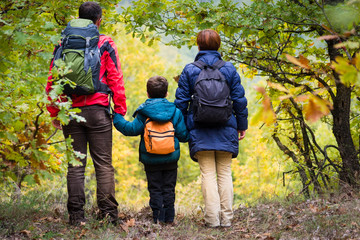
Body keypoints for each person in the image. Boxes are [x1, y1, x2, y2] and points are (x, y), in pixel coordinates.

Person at [46, 2, 126, 225]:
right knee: (103, 164)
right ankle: (108, 216)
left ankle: (76, 217)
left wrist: (55, 111)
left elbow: (52, 78)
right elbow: (115, 78)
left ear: (79, 17)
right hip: (98, 111)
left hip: (71, 112)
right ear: (99, 20)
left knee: (75, 166)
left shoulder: (64, 42)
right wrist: (119, 110)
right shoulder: (105, 42)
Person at [175, 29, 248, 228]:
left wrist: (182, 128)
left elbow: (181, 103)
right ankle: (227, 220)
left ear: (198, 46)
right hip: (227, 126)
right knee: (224, 173)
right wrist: (241, 125)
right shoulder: (229, 69)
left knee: (207, 174)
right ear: (218, 46)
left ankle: (212, 220)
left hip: (199, 128)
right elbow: (239, 100)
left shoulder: (190, 69)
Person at [113, 76, 189, 224]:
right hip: (171, 157)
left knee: (155, 188)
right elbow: (183, 135)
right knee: (169, 188)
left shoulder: (144, 112)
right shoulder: (175, 112)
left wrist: (116, 118)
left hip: (150, 158)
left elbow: (131, 129)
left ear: (147, 93)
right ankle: (169, 218)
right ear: (167, 93)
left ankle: (158, 218)